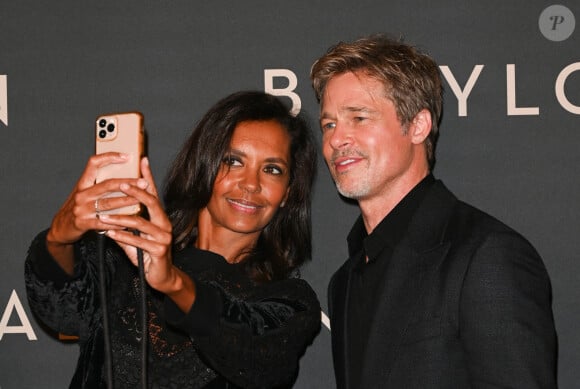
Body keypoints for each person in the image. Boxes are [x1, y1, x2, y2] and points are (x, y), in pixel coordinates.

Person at [24, 91, 321, 388]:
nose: (251, 184)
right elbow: (60, 310)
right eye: (233, 161)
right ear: (205, 163)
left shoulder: (287, 300)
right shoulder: (125, 258)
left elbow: (260, 361)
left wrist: (173, 282)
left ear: (288, 193)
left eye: (272, 169)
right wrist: (59, 238)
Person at [310, 34, 558, 388]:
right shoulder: (345, 281)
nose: (336, 139)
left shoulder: (487, 256)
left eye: (359, 118)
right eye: (329, 124)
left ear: (418, 126)